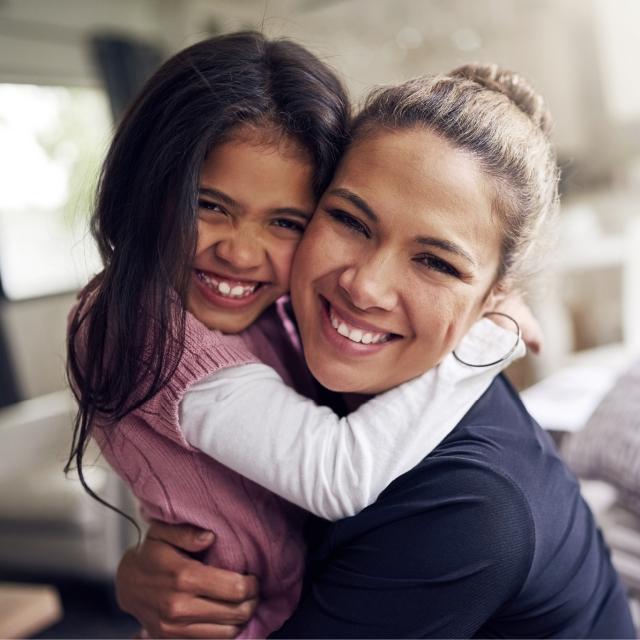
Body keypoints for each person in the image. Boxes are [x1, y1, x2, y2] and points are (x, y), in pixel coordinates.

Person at [115, 64, 636, 638]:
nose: (364, 286)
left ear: (496, 296)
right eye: (348, 220)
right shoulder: (296, 337)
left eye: (436, 262)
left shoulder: (467, 512)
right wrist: (147, 576)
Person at [66, 33, 531, 638]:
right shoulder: (148, 330)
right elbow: (337, 475)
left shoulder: (264, 307)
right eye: (207, 206)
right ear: (148, 187)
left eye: (286, 222)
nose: (239, 252)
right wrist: (488, 338)